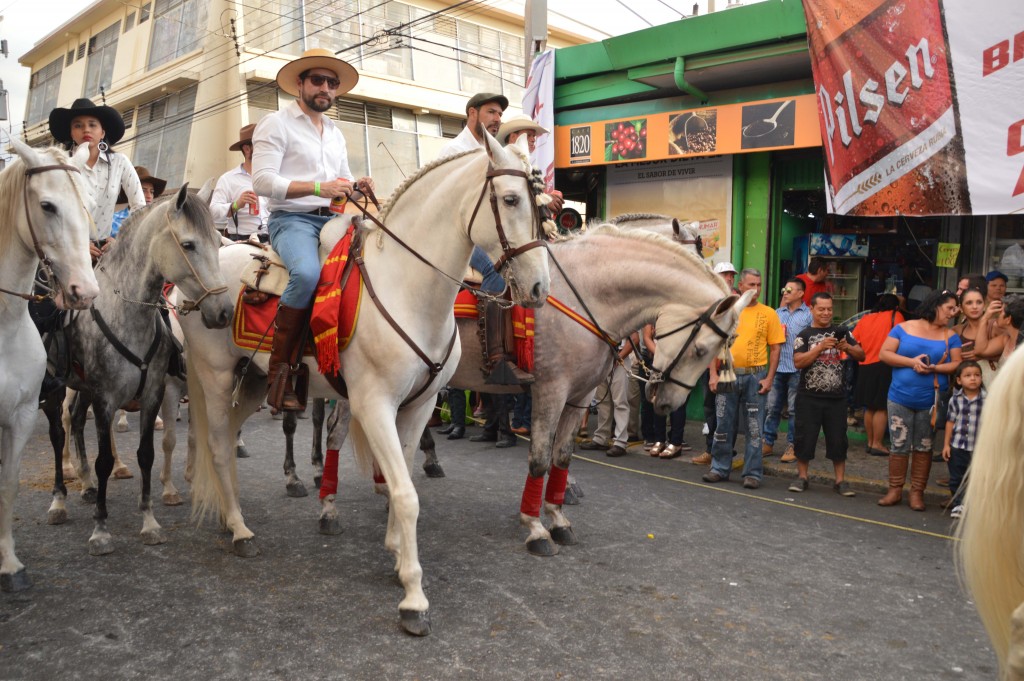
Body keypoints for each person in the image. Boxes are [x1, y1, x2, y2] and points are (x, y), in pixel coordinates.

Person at [252, 48, 373, 413]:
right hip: (292, 219)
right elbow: (262, 181)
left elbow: (343, 180)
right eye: (318, 80)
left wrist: (356, 186)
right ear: (300, 85)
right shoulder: (275, 123)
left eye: (332, 83)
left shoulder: (335, 131)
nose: (325, 87)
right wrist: (320, 188)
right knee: (306, 274)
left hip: (335, 219)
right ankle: (281, 372)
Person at [436, 92, 532, 386]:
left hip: (484, 233)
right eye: (491, 112)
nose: (497, 120)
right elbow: (443, 201)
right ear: (472, 113)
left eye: (500, 115)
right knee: (496, 271)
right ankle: (494, 357)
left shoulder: (495, 153)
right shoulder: (454, 151)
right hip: (456, 234)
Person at [878, 290, 962, 511]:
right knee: (898, 444)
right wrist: (910, 362)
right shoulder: (903, 327)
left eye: (956, 309)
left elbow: (956, 364)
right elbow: (884, 354)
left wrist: (934, 368)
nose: (953, 313)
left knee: (924, 447)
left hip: (931, 401)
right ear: (935, 305)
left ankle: (917, 493)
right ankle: (895, 490)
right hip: (899, 396)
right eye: (950, 308)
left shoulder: (950, 335)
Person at [702, 268, 785, 489]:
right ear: (740, 286)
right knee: (723, 425)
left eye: (758, 285)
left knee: (754, 428)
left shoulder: (769, 313)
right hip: (727, 374)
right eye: (751, 285)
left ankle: (753, 473)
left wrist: (769, 379)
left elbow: (775, 349)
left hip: (754, 376)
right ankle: (719, 468)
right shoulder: (728, 311)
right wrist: (712, 374)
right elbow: (716, 343)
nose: (755, 289)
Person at [787, 293, 866, 495]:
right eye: (821, 309)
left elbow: (861, 355)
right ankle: (802, 477)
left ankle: (840, 481)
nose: (826, 313)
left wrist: (847, 346)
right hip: (808, 396)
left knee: (838, 439)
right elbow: (798, 362)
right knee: (804, 438)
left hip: (837, 397)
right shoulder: (804, 335)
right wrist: (820, 347)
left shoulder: (842, 332)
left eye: (829, 309)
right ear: (812, 310)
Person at [48, 98, 146, 257]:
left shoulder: (119, 162)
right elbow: (49, 212)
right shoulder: (59, 164)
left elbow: (140, 207)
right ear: (71, 133)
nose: (86, 130)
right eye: (78, 125)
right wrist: (76, 244)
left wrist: (121, 240)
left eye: (92, 124)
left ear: (102, 132)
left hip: (105, 253)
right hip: (66, 252)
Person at [691, 261, 740, 466]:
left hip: (731, 365)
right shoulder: (708, 300)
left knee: (730, 411)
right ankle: (711, 449)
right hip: (711, 364)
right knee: (710, 408)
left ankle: (728, 451)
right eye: (725, 275)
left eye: (731, 275)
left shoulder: (737, 300)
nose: (729, 278)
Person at [763, 278, 812, 463]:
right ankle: (767, 442)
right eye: (784, 289)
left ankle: (792, 445)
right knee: (772, 408)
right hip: (777, 367)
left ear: (800, 293)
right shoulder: (777, 313)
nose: (785, 292)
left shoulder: (808, 315)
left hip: (797, 369)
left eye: (789, 290)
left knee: (794, 410)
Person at [852, 294, 905, 456]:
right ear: (895, 306)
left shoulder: (866, 318)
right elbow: (903, 339)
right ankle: (877, 443)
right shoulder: (896, 316)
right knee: (882, 407)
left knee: (870, 407)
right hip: (884, 365)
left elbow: (854, 340)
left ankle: (869, 441)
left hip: (865, 365)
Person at [579, 333, 638, 458]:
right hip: (602, 359)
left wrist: (619, 357)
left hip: (619, 358)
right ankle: (601, 437)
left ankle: (620, 442)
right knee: (602, 401)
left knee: (620, 402)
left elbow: (634, 339)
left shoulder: (625, 313)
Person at [941, 360, 985, 519]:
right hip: (958, 446)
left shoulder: (988, 399)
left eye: (977, 375)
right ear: (959, 380)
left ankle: (974, 505)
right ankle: (959, 504)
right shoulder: (955, 400)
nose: (973, 378)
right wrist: (946, 445)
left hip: (979, 448)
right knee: (956, 477)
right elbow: (950, 422)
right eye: (968, 375)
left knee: (977, 477)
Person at [211, 124, 268, 242]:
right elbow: (213, 211)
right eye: (262, 146)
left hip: (273, 238)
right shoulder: (228, 179)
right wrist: (237, 204)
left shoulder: (272, 176)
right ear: (247, 149)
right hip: (242, 242)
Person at [111, 166, 166, 236]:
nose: (149, 196)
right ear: (130, 192)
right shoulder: (113, 219)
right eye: (143, 190)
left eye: (152, 192)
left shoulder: (159, 222)